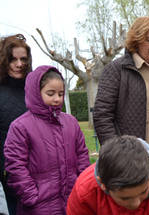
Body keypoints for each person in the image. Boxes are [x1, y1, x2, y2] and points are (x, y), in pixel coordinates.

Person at [93, 17, 149, 165]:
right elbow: (101, 115)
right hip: (132, 158)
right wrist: (117, 153)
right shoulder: (116, 70)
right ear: (136, 40)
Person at [4, 66, 90, 215]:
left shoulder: (71, 122)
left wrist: (81, 186)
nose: (57, 98)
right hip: (38, 207)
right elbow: (15, 166)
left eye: (61, 94)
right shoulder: (20, 126)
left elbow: (82, 154)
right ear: (36, 93)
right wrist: (31, 196)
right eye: (50, 93)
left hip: (72, 202)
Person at [67, 135, 149, 215]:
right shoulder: (85, 191)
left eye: (143, 192)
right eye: (125, 198)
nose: (135, 204)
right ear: (103, 184)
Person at [0, 33, 32, 215]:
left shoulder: (35, 89)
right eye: (13, 59)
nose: (19, 64)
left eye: (23, 59)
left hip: (40, 172)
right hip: (10, 177)